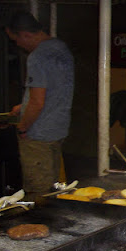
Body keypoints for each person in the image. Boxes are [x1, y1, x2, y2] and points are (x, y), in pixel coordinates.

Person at [6, 11, 74, 200]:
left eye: (16, 40)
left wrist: (22, 127)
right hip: (57, 130)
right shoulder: (61, 48)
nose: (18, 45)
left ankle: (40, 218)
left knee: (39, 192)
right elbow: (55, 90)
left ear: (25, 35)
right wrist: (23, 106)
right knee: (54, 188)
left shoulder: (38, 56)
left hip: (38, 136)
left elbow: (37, 102)